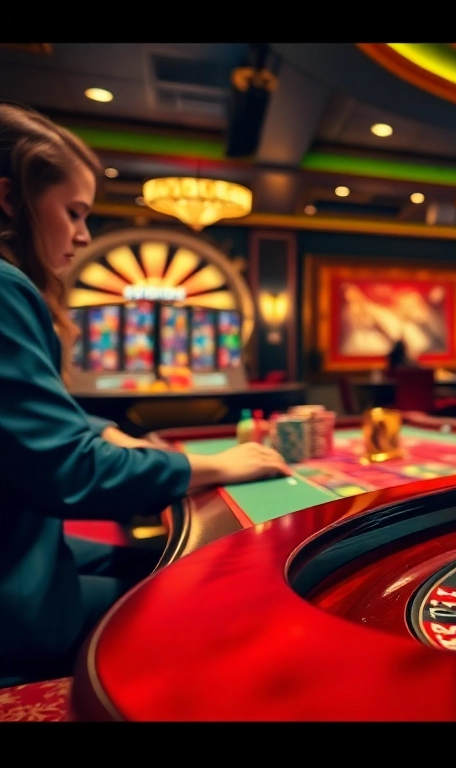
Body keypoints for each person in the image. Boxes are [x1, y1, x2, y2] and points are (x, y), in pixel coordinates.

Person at [0, 103, 291, 687]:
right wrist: (212, 463)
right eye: (74, 212)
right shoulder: (6, 287)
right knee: (217, 602)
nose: (83, 235)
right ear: (9, 199)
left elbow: (37, 423)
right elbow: (67, 470)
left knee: (163, 564)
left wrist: (106, 433)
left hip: (21, 547)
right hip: (15, 596)